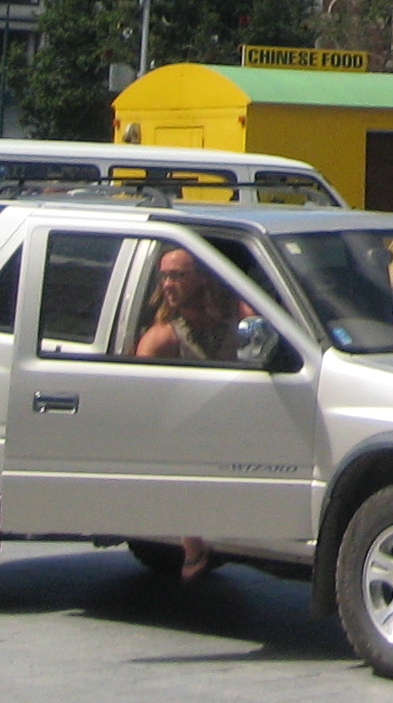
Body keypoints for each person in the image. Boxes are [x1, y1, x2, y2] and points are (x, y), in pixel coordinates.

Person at [134, 246, 258, 574]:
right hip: (193, 430)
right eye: (164, 277)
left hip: (245, 417)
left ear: (202, 277)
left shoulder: (237, 313)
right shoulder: (163, 336)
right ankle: (193, 548)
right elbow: (138, 395)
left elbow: (265, 337)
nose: (168, 284)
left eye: (178, 275)